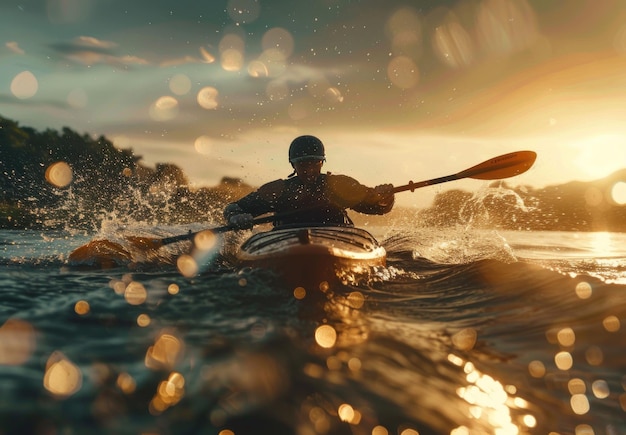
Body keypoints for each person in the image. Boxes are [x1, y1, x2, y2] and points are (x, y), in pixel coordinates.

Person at [223, 135, 395, 229]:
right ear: (293, 164)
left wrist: (385, 197)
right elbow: (233, 208)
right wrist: (236, 217)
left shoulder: (339, 186)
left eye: (315, 163)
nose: (310, 169)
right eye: (303, 164)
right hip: (286, 243)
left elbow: (378, 208)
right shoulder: (279, 189)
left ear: (322, 162)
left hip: (337, 239)